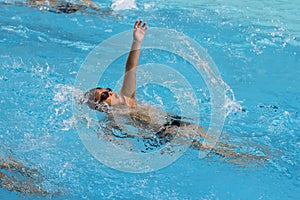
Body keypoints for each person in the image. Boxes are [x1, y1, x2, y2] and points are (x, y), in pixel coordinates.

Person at [84, 20, 269, 166]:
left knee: (216, 140)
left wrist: (136, 41)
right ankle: (246, 160)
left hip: (173, 120)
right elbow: (110, 137)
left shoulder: (127, 98)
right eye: (104, 96)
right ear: (100, 106)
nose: (109, 92)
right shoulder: (111, 119)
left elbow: (130, 67)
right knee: (210, 148)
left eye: (107, 89)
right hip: (166, 132)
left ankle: (255, 154)